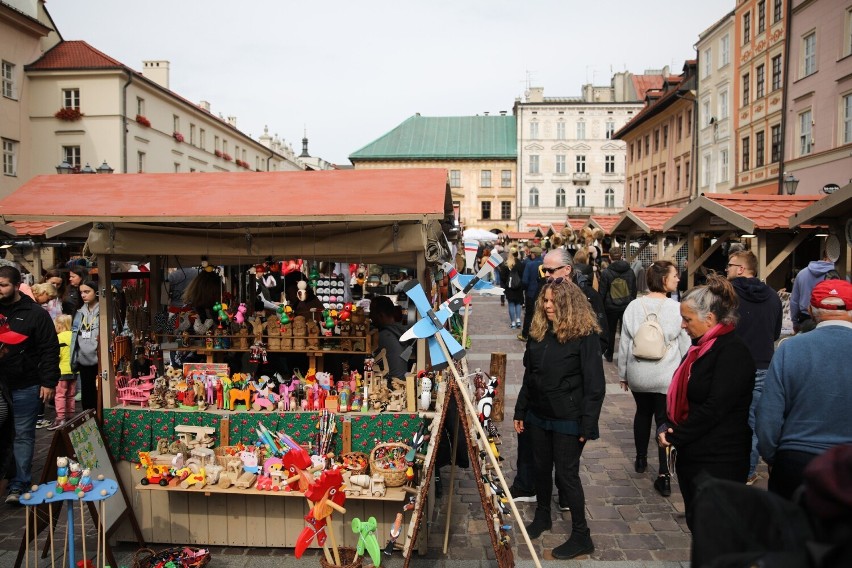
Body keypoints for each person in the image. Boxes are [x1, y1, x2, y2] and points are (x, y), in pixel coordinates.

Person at [513, 279, 605, 559]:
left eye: (553, 301)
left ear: (568, 304)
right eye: (545, 300)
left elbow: (595, 384)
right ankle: (542, 516)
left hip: (569, 417)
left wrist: (588, 425)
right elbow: (530, 376)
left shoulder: (585, 335)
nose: (547, 305)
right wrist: (521, 410)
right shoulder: (539, 333)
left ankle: (581, 535)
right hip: (538, 414)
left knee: (566, 476)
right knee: (541, 468)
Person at [657, 274, 755, 530]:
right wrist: (668, 424)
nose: (682, 325)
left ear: (709, 319)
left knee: (715, 530)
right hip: (696, 453)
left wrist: (676, 434)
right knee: (699, 524)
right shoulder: (700, 348)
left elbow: (715, 408)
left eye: (687, 319)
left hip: (719, 458)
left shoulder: (732, 352)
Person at [756, 279, 852, 500]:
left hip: (798, 459)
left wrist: (773, 456)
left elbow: (768, 414)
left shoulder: (790, 348)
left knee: (793, 532)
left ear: (810, 310)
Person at [617, 260, 690, 496]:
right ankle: (664, 474)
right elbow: (685, 345)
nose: (678, 279)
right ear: (663, 280)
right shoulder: (676, 308)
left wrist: (624, 374)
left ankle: (640, 459)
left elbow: (626, 344)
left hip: (639, 372)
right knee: (664, 421)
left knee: (642, 413)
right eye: (674, 275)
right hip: (665, 374)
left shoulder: (634, 306)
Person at [0, 265, 59, 504]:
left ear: (16, 285)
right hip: (1, 385)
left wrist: (48, 382)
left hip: (26, 383)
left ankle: (19, 483)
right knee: (5, 434)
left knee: (23, 434)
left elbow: (49, 349)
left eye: (3, 285)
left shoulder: (35, 313)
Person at [726, 249, 782, 484]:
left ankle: (728, 467)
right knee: (753, 421)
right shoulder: (773, 296)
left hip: (732, 364)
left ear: (740, 269)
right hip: (762, 364)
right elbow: (776, 333)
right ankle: (748, 471)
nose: (726, 269)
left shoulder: (727, 295)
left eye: (729, 265)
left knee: (727, 418)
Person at [598, 246, 637, 362]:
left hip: (610, 307)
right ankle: (625, 355)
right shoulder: (630, 271)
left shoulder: (606, 272)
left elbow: (602, 292)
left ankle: (609, 354)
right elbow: (634, 289)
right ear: (621, 256)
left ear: (609, 257)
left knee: (610, 331)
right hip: (626, 305)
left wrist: (601, 307)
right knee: (625, 331)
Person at [790, 248, 838, 333]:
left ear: (824, 256)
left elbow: (794, 301)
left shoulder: (802, 274)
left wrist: (794, 323)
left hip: (805, 320)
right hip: (831, 319)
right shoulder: (839, 275)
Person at [71, 280, 100, 411]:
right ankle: (89, 420)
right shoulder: (79, 312)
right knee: (86, 392)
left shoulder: (103, 311)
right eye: (81, 292)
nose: (83, 295)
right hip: (83, 357)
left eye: (87, 292)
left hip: (100, 357)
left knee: (100, 392)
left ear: (97, 292)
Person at [369, 295, 412, 380]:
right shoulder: (399, 332)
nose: (370, 317)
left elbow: (368, 361)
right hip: (402, 381)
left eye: (372, 313)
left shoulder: (383, 336)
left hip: (390, 385)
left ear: (381, 315)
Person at [48, 315, 75, 430]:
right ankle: (70, 416)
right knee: (71, 395)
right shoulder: (73, 336)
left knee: (60, 395)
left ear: (59, 325)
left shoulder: (58, 338)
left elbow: (56, 355)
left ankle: (60, 418)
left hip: (62, 371)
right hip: (74, 370)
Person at [518, 245, 544, 341]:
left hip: (531, 293)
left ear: (534, 254)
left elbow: (525, 281)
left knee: (529, 314)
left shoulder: (530, 265)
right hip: (543, 292)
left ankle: (525, 334)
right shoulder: (545, 264)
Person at [499, 247, 525, 329]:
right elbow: (523, 276)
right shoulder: (521, 264)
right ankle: (518, 320)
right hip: (518, 287)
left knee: (511, 304)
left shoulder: (506, 264)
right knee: (518, 304)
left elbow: (502, 277)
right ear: (517, 254)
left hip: (509, 287)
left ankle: (513, 323)